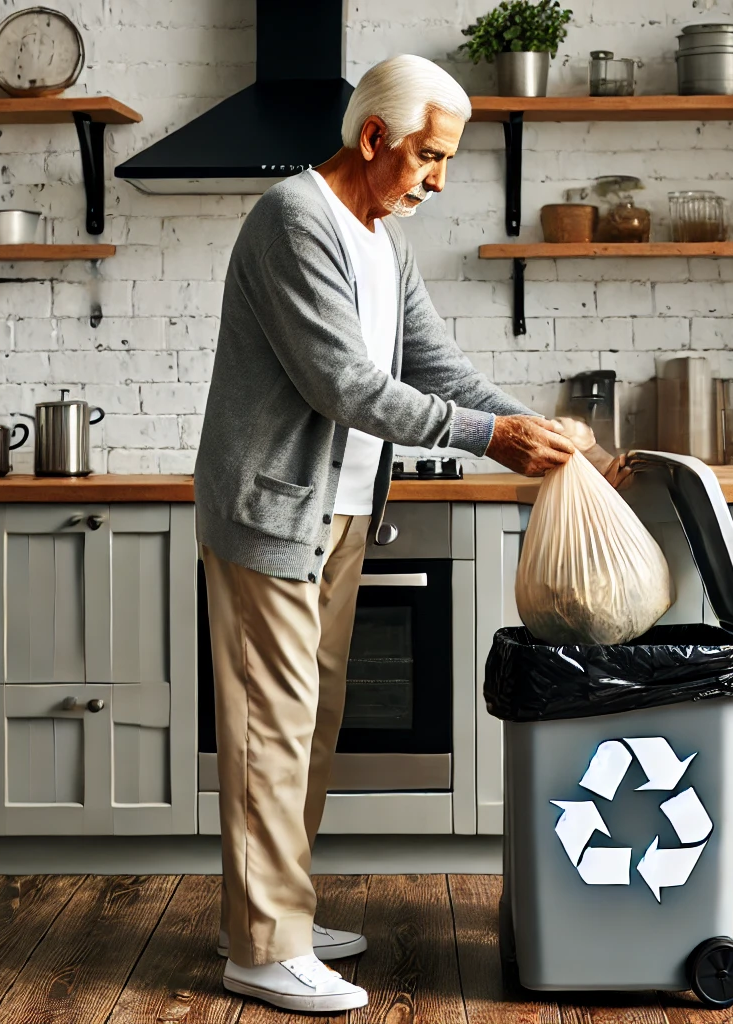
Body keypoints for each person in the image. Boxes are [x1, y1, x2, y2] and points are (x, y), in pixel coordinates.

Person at [194, 54, 582, 1013]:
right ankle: (261, 945)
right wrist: (494, 438)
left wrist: (528, 422)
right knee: (270, 729)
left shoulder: (381, 236)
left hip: (344, 510)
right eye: (429, 158)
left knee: (315, 721)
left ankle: (276, 911)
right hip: (271, 508)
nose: (438, 181)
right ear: (374, 138)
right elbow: (347, 387)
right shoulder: (296, 220)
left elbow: (436, 364)